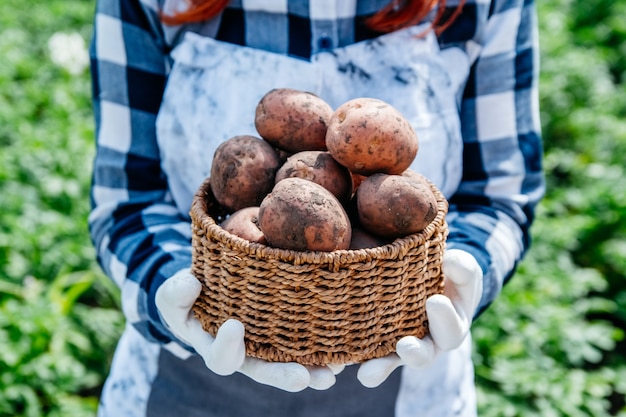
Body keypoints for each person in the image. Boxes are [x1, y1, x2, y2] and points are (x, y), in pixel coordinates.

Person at [88, 0, 544, 415]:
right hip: (186, 385)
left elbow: (499, 193)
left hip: (402, 372)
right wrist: (178, 297)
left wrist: (461, 271)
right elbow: (127, 200)